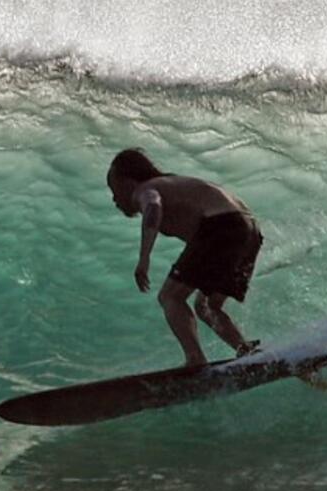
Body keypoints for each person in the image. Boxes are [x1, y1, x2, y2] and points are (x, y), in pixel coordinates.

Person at [106, 148, 263, 368]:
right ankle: (247, 351)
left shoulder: (146, 188)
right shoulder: (173, 185)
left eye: (113, 189)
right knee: (207, 307)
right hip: (249, 231)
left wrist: (144, 258)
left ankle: (195, 359)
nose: (114, 198)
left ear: (127, 182)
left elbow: (153, 205)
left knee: (170, 297)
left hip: (223, 224)